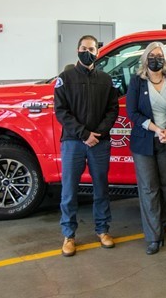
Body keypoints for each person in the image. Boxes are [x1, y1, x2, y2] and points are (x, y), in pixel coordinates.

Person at [54, 35, 119, 257]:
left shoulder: (105, 79)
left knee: (101, 188)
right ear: (77, 50)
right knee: (69, 190)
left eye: (92, 49)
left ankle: (103, 230)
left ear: (98, 52)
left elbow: (113, 110)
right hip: (73, 142)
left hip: (99, 143)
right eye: (84, 48)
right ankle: (69, 235)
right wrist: (84, 134)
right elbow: (61, 112)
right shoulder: (65, 78)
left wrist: (97, 134)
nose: (87, 52)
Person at [126, 42, 166, 255]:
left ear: (165, 59)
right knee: (149, 189)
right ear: (145, 59)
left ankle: (162, 229)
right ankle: (153, 237)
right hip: (144, 142)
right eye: (151, 55)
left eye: (159, 55)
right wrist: (156, 129)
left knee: (165, 188)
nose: (155, 59)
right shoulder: (137, 81)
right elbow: (131, 112)